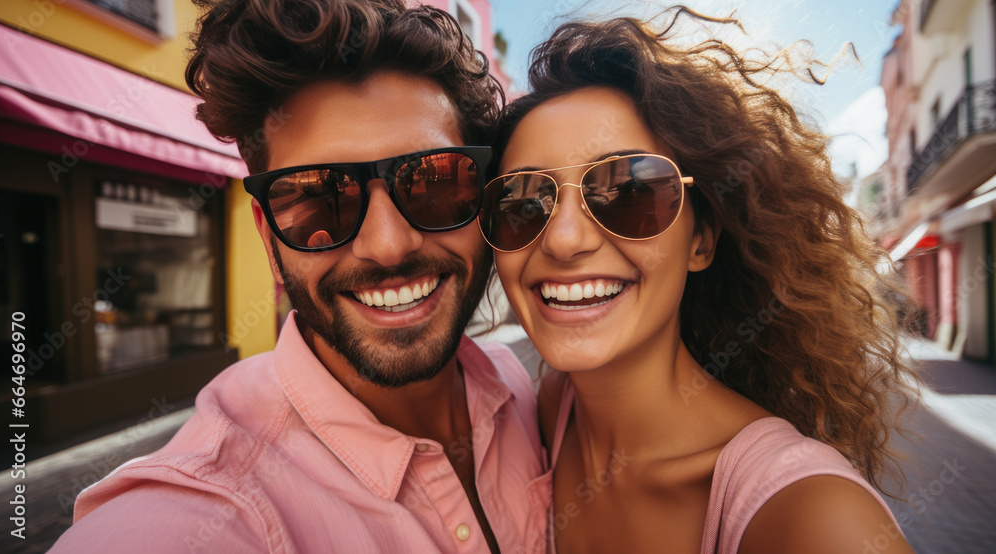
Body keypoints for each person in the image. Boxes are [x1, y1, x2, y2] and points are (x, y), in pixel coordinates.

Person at [49, 1, 549, 552]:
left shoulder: (518, 387)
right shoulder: (206, 512)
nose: (387, 246)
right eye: (318, 198)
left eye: (434, 182)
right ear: (269, 237)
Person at [478, 9, 917, 554]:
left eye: (629, 190)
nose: (564, 240)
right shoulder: (551, 412)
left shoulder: (816, 519)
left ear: (701, 240)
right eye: (523, 201)